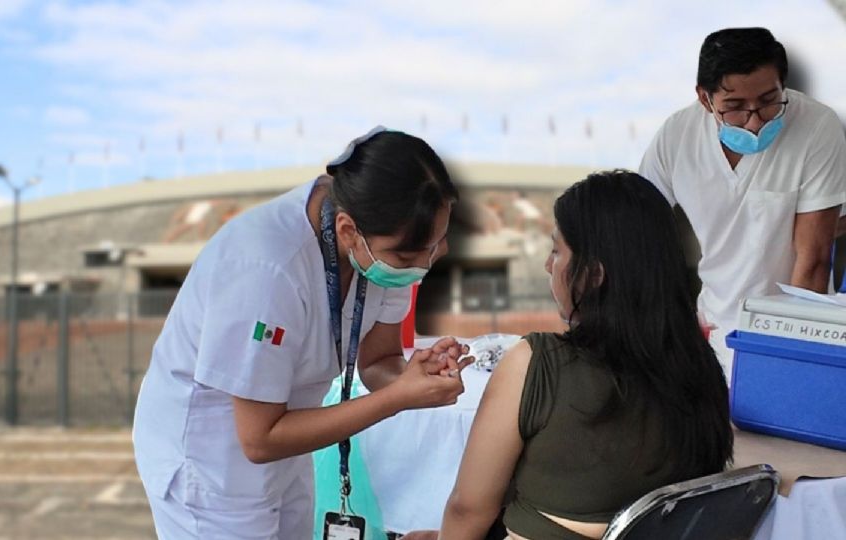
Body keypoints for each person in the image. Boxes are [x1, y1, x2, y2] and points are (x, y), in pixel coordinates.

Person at [132, 126, 475, 539]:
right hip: (212, 460)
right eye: (408, 255)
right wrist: (398, 398)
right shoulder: (266, 269)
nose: (427, 262)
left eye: (439, 243)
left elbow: (377, 362)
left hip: (290, 436)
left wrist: (415, 377)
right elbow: (258, 440)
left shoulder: (380, 245)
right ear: (348, 231)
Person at [403, 171, 734, 540]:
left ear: (592, 275)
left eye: (557, 250)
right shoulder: (703, 369)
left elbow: (468, 509)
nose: (548, 265)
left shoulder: (539, 363)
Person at [639, 27, 846, 380]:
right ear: (705, 100)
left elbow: (812, 261)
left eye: (769, 101)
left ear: (783, 84)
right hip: (712, 327)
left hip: (792, 332)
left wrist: (783, 364)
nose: (754, 121)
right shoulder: (677, 136)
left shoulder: (817, 127)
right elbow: (634, 221)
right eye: (734, 107)